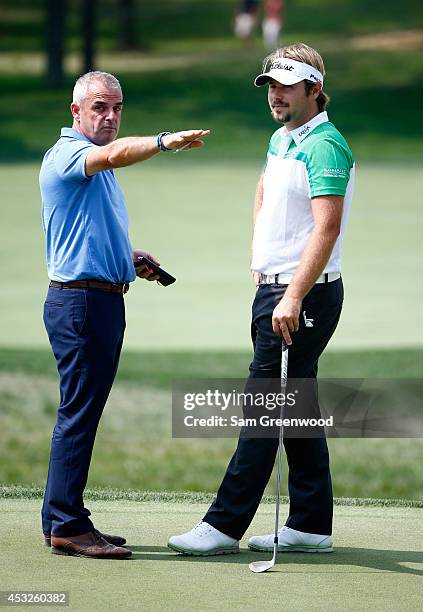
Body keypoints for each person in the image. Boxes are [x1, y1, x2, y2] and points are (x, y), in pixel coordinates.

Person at [168, 43, 355, 556]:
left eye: (285, 84)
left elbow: (327, 227)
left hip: (305, 297)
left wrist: (291, 295)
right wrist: (260, 256)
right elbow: (264, 190)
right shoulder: (283, 139)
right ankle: (311, 524)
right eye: (270, 84)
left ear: (313, 89)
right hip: (276, 289)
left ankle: (223, 525)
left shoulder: (325, 145)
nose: (274, 94)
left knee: (263, 410)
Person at [39, 70, 209, 559]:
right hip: (83, 304)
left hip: (95, 296)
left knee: (78, 411)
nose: (110, 116)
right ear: (76, 112)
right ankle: (69, 524)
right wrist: (164, 141)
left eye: (116, 107)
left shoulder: (93, 166)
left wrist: (126, 258)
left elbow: (84, 232)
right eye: (99, 107)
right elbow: (113, 153)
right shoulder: (71, 154)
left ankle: (59, 518)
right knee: (79, 414)